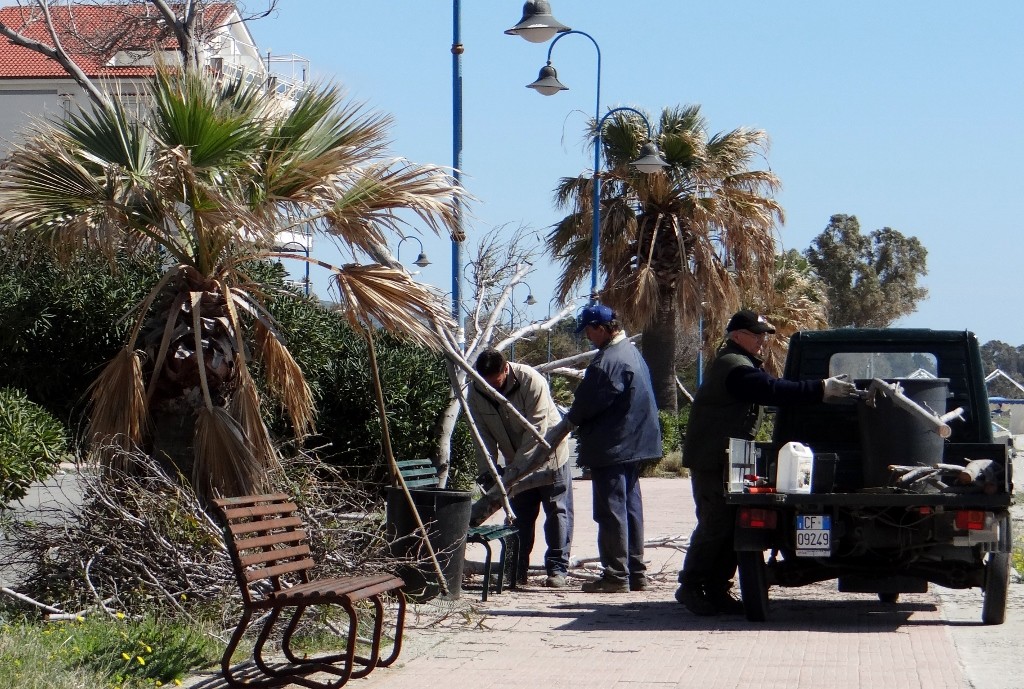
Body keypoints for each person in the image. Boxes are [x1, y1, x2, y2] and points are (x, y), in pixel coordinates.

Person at [676, 309, 859, 615]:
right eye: (757, 335)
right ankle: (692, 586)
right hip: (712, 462)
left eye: (764, 335)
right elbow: (772, 390)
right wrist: (821, 389)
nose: (762, 341)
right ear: (737, 337)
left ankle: (717, 589)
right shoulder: (734, 367)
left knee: (730, 527)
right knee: (714, 525)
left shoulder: (742, 364)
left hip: (727, 460)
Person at [564, 304, 661, 593]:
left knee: (610, 510)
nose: (588, 338)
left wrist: (568, 424)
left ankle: (616, 575)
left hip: (613, 445)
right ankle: (635, 572)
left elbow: (586, 405)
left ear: (602, 328)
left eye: (589, 331)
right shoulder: (632, 352)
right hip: (634, 444)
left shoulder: (608, 361)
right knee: (631, 507)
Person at [468, 349, 574, 588]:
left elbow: (536, 430)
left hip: (549, 457)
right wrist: (489, 472)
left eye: (495, 382)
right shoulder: (476, 390)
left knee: (557, 513)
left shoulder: (531, 380)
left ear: (506, 369)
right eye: (486, 383)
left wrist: (514, 474)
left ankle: (557, 570)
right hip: (514, 462)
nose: (491, 388)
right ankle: (516, 570)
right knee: (519, 518)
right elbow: (481, 435)